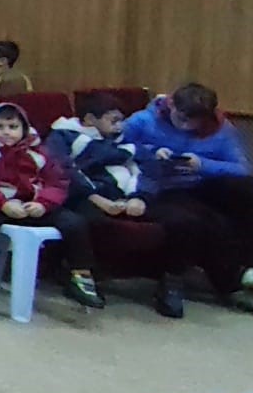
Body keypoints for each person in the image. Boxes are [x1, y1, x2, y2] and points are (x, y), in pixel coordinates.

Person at [121, 84, 253, 318]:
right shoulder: (143, 120)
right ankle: (228, 281)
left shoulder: (219, 129)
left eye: (195, 122)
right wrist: (150, 153)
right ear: (171, 105)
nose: (187, 127)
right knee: (197, 220)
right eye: (182, 118)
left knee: (246, 187)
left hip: (198, 184)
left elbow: (242, 168)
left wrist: (203, 164)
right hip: (155, 188)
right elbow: (114, 145)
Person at [0, 103, 102, 309]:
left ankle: (80, 275)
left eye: (13, 127)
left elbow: (57, 182)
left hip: (32, 205)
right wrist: (2, 203)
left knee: (74, 223)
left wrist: (44, 203)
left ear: (24, 129)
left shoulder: (39, 152)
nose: (6, 132)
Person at [47, 96, 173, 314]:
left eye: (121, 120)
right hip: (85, 196)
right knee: (86, 219)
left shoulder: (124, 142)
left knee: (174, 218)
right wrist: (98, 199)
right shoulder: (64, 136)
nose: (119, 126)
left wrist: (139, 197)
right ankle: (80, 276)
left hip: (125, 198)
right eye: (113, 120)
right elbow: (63, 171)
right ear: (90, 119)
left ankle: (170, 282)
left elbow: (146, 169)